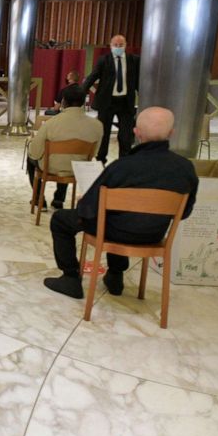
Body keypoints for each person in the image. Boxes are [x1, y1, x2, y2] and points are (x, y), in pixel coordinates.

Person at [43, 107, 198, 300]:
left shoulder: (121, 167)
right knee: (120, 216)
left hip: (114, 231)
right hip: (153, 234)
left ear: (136, 132)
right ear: (171, 133)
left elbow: (88, 209)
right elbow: (184, 212)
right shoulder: (185, 168)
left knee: (61, 220)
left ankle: (70, 278)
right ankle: (115, 276)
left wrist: (84, 201)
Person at [27, 85, 103, 210]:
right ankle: (58, 199)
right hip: (77, 168)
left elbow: (35, 153)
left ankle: (39, 199)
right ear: (83, 102)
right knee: (70, 159)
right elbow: (95, 152)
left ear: (63, 101)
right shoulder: (97, 125)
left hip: (51, 166)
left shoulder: (51, 123)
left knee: (31, 159)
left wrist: (30, 144)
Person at [80, 35, 140, 163]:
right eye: (115, 45)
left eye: (121, 45)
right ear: (111, 46)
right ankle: (101, 159)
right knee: (104, 133)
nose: (118, 47)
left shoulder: (134, 60)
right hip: (107, 102)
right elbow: (93, 76)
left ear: (126, 45)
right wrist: (80, 92)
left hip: (126, 102)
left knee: (125, 135)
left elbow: (139, 81)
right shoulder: (104, 60)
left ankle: (124, 161)